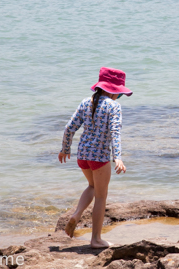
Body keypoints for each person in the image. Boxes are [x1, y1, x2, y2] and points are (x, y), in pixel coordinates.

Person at [58, 67, 132, 247]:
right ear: (113, 91)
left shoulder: (85, 102)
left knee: (91, 186)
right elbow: (115, 132)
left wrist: (65, 148)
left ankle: (76, 214)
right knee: (101, 196)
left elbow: (69, 128)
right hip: (99, 158)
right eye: (119, 94)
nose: (118, 97)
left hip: (82, 155)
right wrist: (118, 157)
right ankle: (96, 239)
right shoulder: (114, 106)